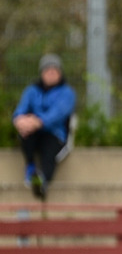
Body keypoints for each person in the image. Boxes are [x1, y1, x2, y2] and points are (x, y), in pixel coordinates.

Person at [12, 54, 76, 199]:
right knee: (25, 134)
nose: (51, 73)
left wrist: (38, 121)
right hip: (33, 132)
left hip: (55, 134)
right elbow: (20, 109)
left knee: (49, 152)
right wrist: (19, 120)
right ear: (42, 73)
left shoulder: (67, 93)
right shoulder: (32, 91)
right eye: (48, 70)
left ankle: (42, 181)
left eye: (55, 70)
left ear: (60, 73)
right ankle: (31, 167)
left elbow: (58, 113)